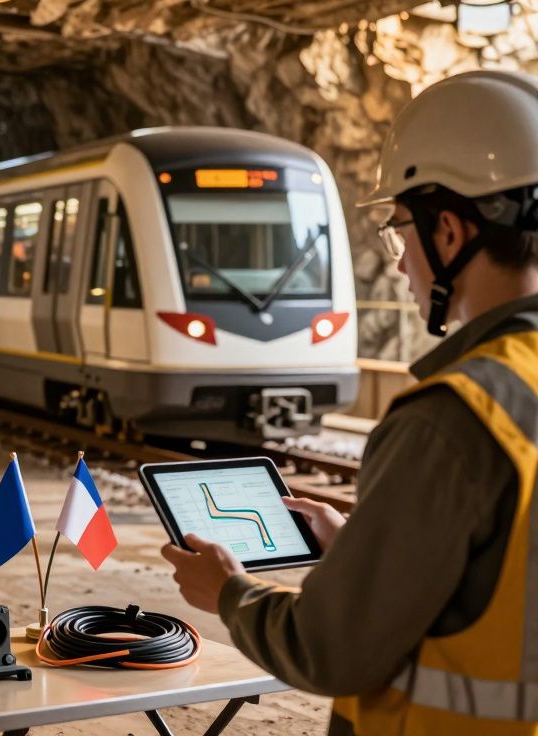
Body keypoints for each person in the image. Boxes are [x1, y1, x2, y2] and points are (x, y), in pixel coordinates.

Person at [161, 69, 538, 735]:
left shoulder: (451, 418)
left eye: (400, 232)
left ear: (450, 233)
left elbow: (328, 649)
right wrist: (362, 550)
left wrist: (229, 593)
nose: (399, 263)